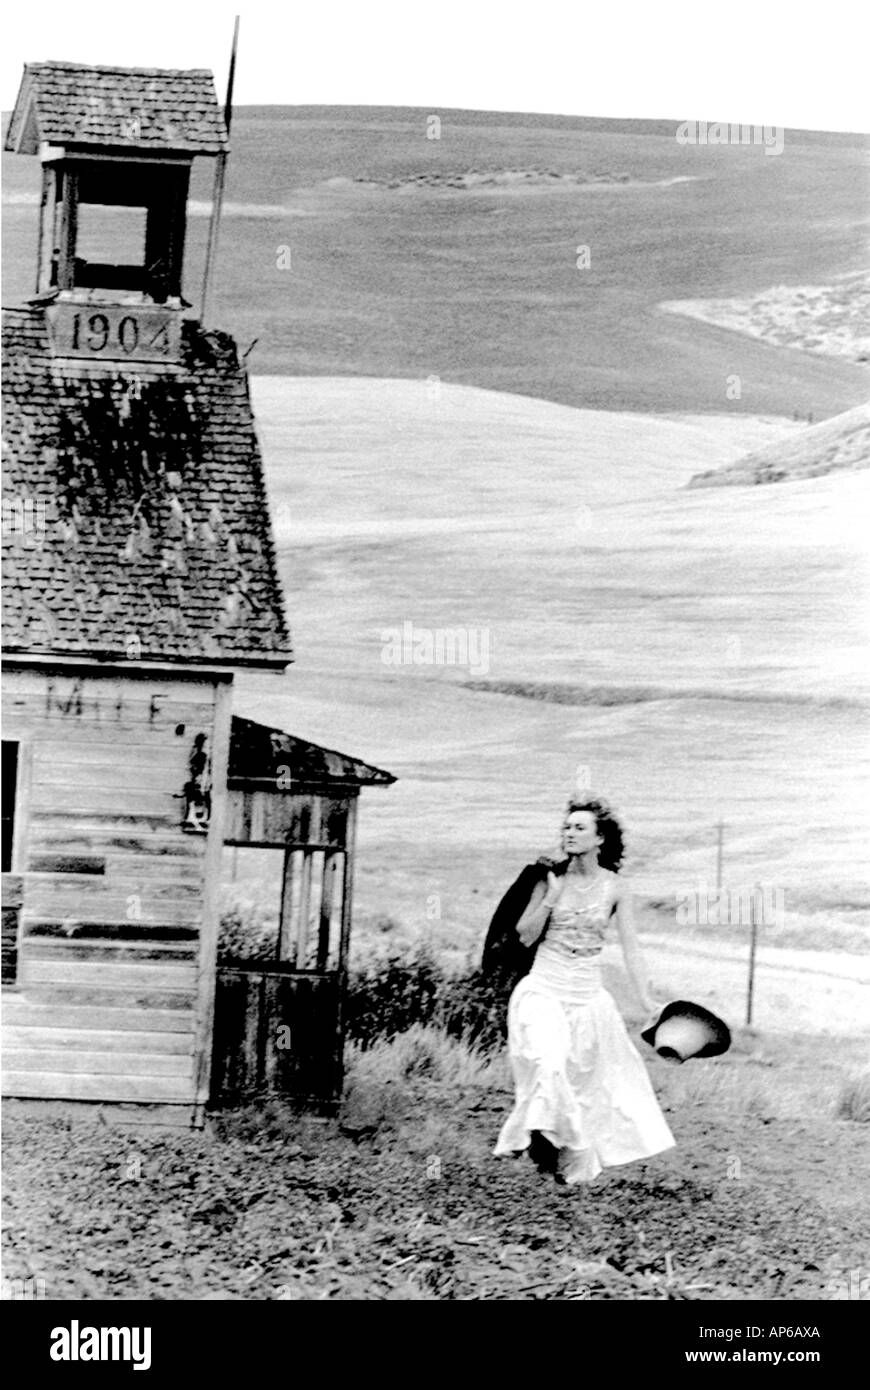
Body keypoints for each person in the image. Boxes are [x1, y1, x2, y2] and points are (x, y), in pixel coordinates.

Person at [492, 794, 675, 1185]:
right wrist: (551, 900)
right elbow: (524, 937)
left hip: (589, 998)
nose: (569, 833)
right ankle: (538, 1142)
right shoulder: (549, 878)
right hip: (544, 988)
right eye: (567, 826)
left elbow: (632, 949)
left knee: (588, 1088)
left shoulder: (617, 889)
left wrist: (645, 1000)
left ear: (600, 839)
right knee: (549, 1064)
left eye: (580, 828)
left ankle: (562, 1167)